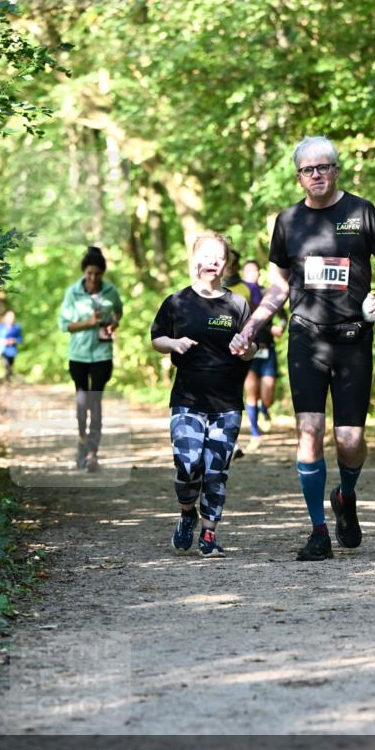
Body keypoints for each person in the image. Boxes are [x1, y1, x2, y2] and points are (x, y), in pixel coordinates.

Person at [230, 135, 375, 561]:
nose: (317, 174)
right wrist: (252, 325)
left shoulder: (360, 211)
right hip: (306, 337)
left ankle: (345, 495)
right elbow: (278, 286)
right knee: (309, 431)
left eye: (324, 167)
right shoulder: (288, 221)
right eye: (309, 169)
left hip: (354, 339)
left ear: (336, 169)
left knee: (349, 440)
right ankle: (318, 531)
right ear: (299, 177)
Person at [151, 233, 257, 557]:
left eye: (219, 257)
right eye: (206, 256)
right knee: (187, 464)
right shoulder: (177, 301)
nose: (212, 262)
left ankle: (209, 534)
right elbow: (157, 339)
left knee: (216, 469)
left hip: (226, 403)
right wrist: (174, 343)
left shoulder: (238, 304)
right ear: (195, 259)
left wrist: (245, 348)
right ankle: (187, 514)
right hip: (188, 400)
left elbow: (253, 348)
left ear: (226, 263)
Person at [59, 246, 123, 472]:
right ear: (84, 273)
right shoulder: (72, 293)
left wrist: (113, 323)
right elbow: (64, 325)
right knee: (82, 401)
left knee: (95, 401)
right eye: (89, 273)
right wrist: (88, 322)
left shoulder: (110, 291)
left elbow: (118, 311)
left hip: (102, 355)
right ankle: (82, 443)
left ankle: (93, 453)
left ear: (103, 273)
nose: (93, 278)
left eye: (97, 273)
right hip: (78, 355)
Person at [241, 258, 287, 445]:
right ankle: (254, 433)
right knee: (251, 392)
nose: (253, 274)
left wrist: (280, 328)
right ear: (243, 275)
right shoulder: (239, 295)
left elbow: (283, 317)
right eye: (249, 271)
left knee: (267, 395)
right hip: (247, 351)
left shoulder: (267, 293)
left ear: (260, 273)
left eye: (255, 271)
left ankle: (264, 408)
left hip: (267, 350)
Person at [0, 310, 23, 382]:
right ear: (5, 317)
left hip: (12, 351)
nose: (11, 318)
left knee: (10, 366)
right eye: (9, 317)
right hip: (3, 350)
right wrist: (2, 341)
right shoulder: (0, 327)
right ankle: (6, 379)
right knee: (6, 364)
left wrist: (14, 340)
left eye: (12, 317)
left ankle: (7, 379)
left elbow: (20, 339)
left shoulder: (17, 328)